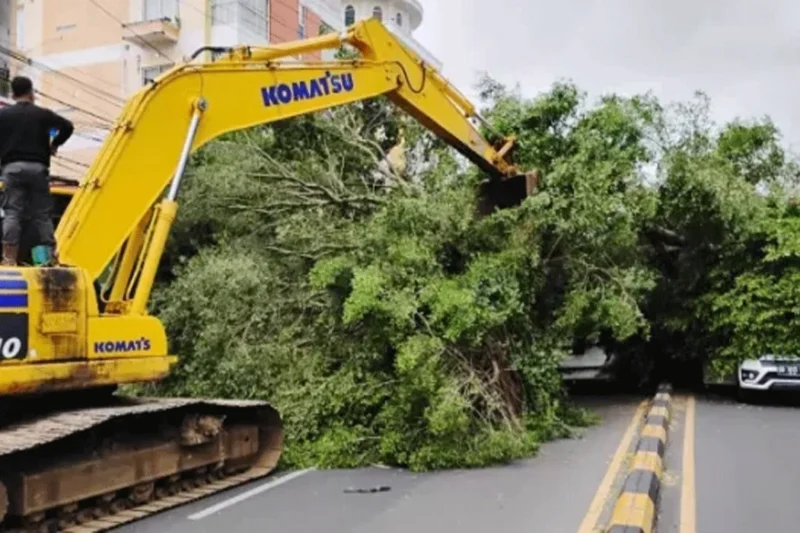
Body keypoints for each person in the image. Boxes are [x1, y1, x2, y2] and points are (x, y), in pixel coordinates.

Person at [0, 75, 73, 266]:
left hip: (11, 169)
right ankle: (50, 257)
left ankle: (9, 258)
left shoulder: (4, 116)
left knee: (12, 213)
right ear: (31, 92)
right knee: (41, 214)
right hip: (38, 168)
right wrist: (54, 145)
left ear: (12, 93)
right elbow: (67, 126)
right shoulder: (42, 114)